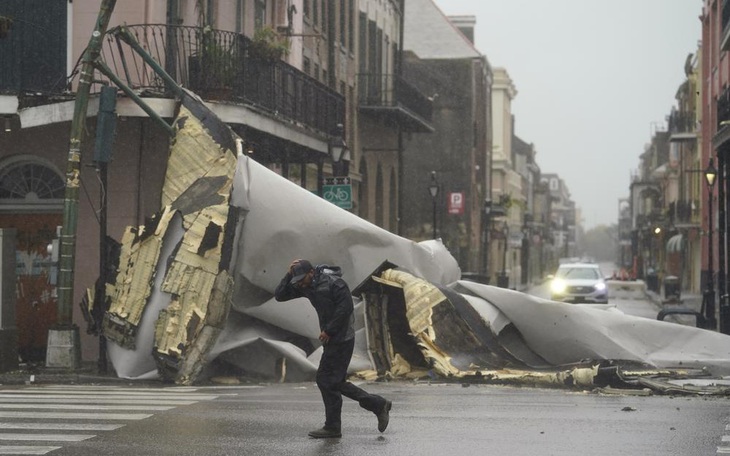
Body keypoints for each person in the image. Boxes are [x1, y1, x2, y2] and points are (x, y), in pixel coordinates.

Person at [275, 259, 392, 439]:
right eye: (296, 279)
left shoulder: (335, 283)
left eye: (301, 278)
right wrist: (289, 274)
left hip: (343, 337)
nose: (299, 283)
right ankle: (340, 423)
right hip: (331, 338)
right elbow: (280, 295)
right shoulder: (306, 285)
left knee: (329, 380)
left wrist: (329, 330)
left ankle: (371, 407)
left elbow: (345, 309)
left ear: (312, 273)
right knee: (329, 381)